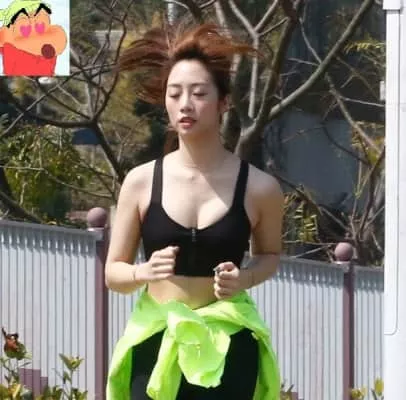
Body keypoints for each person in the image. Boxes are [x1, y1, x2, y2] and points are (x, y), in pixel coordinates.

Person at [105, 22, 284, 400]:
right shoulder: (140, 181)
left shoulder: (260, 188)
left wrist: (245, 278)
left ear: (224, 102)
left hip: (227, 343)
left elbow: (270, 255)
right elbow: (113, 273)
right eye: (175, 94)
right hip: (156, 339)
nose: (185, 104)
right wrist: (141, 272)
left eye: (199, 93)